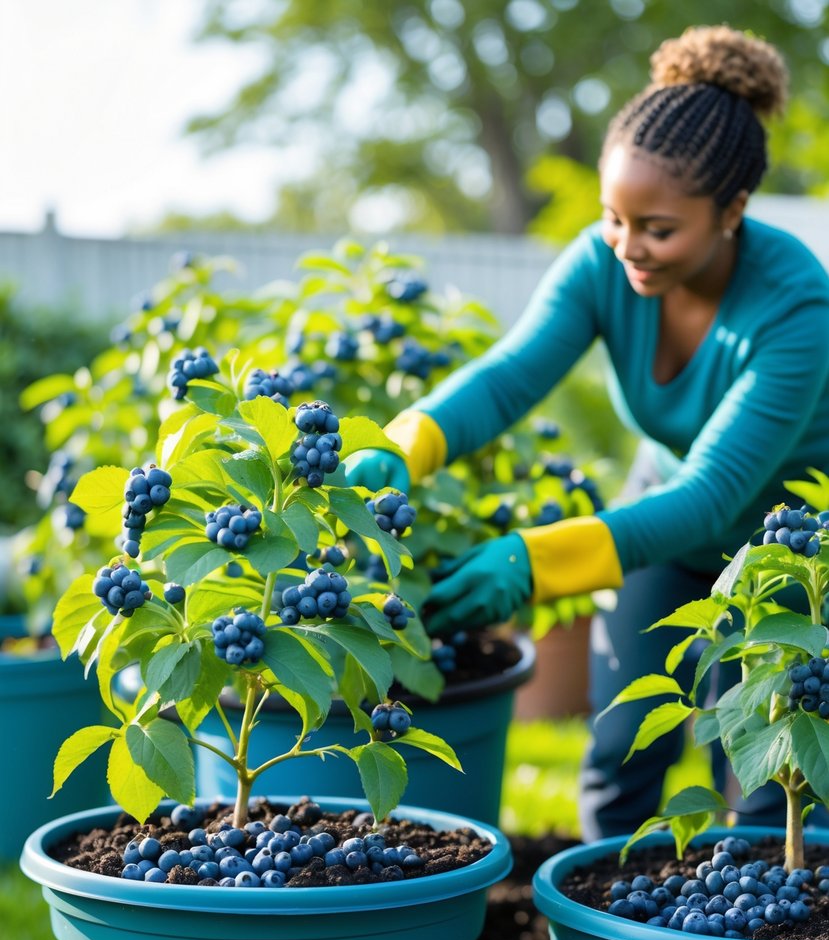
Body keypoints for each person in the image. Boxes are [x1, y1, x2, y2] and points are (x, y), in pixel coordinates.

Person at [344, 25, 829, 841]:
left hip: (791, 550)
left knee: (762, 779)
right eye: (613, 218)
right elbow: (507, 377)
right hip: (660, 515)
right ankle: (597, 912)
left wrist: (534, 561)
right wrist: (401, 444)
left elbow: (715, 496)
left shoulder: (794, 306)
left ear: (731, 211)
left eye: (658, 229)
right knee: (618, 744)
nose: (627, 247)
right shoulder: (602, 264)